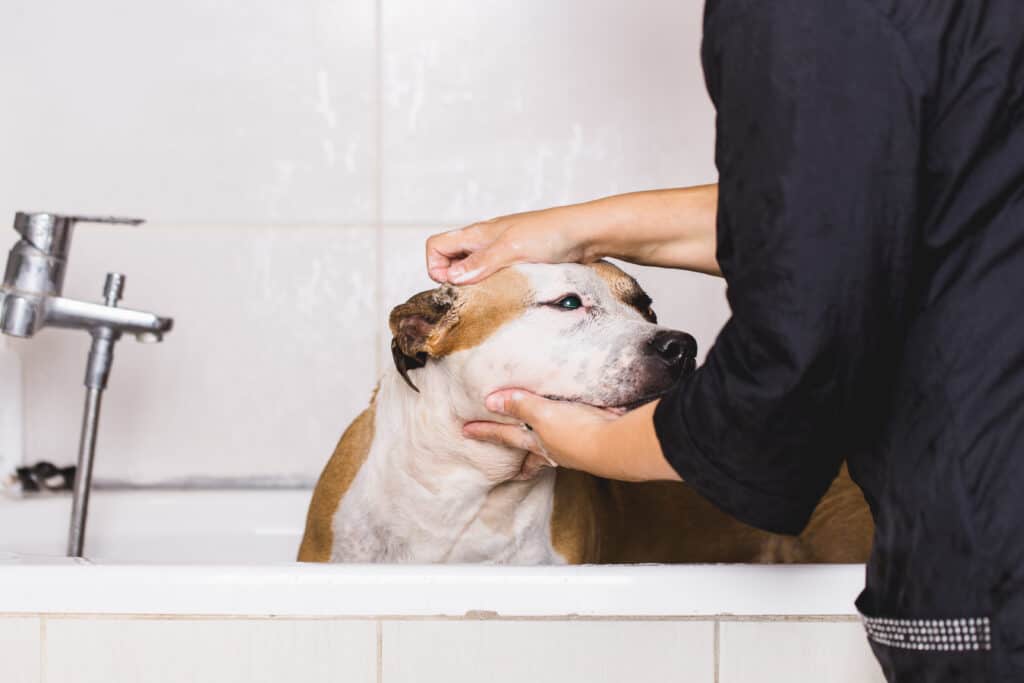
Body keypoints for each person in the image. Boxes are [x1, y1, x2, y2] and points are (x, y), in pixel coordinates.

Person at [425, 2, 1024, 681]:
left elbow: (795, 366)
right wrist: (576, 230)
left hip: (997, 549)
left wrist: (582, 442)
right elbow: (859, 207)